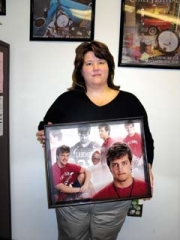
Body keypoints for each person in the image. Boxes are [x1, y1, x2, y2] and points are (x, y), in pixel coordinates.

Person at [36, 40, 154, 240]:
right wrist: (44, 135)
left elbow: (147, 141)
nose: (96, 67)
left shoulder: (129, 101)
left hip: (114, 196)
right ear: (80, 71)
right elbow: (45, 127)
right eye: (88, 63)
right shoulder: (67, 100)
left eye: (100, 61)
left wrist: (148, 169)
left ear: (109, 66)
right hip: (72, 196)